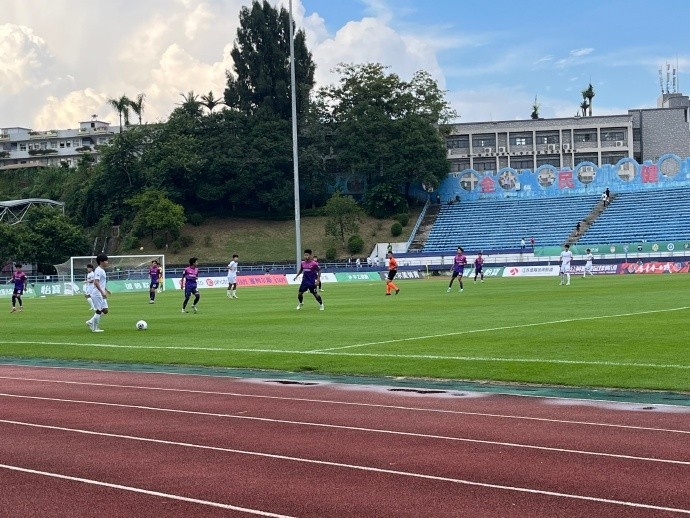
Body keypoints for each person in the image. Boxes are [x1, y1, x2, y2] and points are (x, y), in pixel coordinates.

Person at [86, 254, 110, 332]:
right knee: (99, 310)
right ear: (101, 262)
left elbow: (101, 282)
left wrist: (106, 289)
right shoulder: (98, 270)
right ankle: (94, 328)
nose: (107, 262)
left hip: (100, 293)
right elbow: (96, 282)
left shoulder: (102, 270)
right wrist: (102, 292)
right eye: (106, 261)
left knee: (105, 310)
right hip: (97, 294)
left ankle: (90, 322)